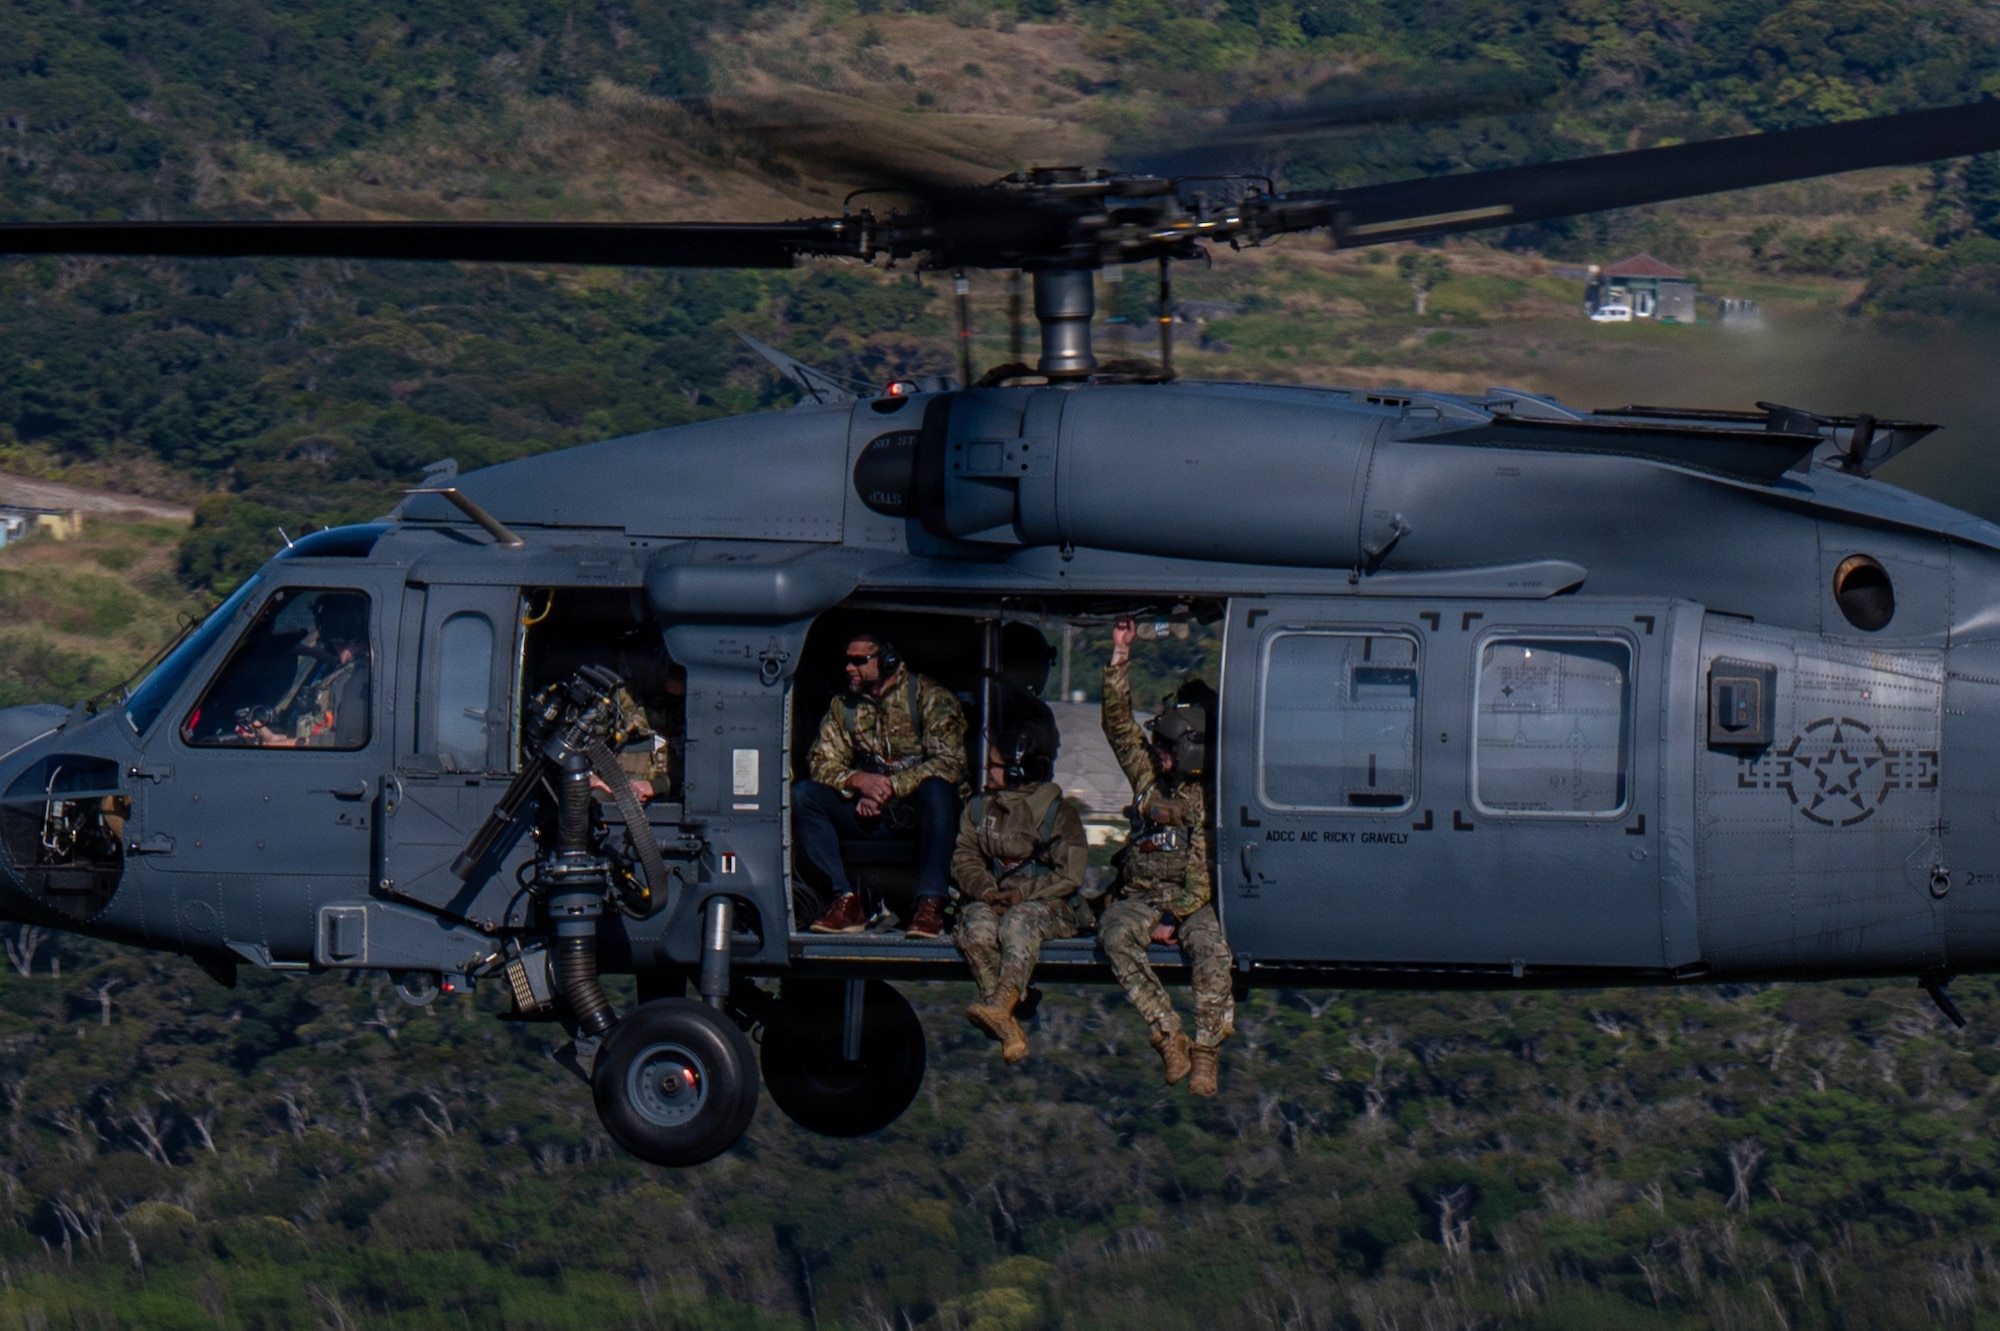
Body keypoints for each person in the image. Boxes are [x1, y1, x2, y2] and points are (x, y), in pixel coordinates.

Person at [1098, 615, 1234, 1097]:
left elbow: (1200, 874)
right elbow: (1117, 723)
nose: (1156, 753)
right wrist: (1120, 653)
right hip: (1141, 895)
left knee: (1212, 950)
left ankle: (1206, 1051)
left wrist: (1174, 917)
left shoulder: (1208, 798)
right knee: (1114, 935)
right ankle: (1166, 1032)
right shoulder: (1149, 779)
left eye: (1165, 746)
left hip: (1190, 902)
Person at [797, 631, 967, 939]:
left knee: (938, 788)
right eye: (847, 662)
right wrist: (858, 781)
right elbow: (820, 762)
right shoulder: (843, 707)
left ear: (887, 661)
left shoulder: (929, 697)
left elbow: (950, 762)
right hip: (869, 815)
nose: (850, 669)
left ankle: (930, 904)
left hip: (920, 817)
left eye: (859, 661)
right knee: (804, 796)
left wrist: (889, 787)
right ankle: (845, 899)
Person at [953, 721, 1087, 1064]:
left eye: (995, 764)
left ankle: (1001, 1006)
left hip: (1046, 905)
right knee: (976, 929)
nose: (987, 770)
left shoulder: (1059, 815)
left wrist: (1021, 894)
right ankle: (1006, 1022)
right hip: (992, 898)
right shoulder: (979, 809)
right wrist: (985, 891)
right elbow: (965, 857)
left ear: (1016, 769)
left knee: (1018, 924)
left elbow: (1069, 874)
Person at [240, 594, 371, 749]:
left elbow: (343, 742)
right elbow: (317, 738)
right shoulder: (357, 668)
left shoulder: (355, 680)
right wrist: (272, 738)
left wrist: (271, 746)